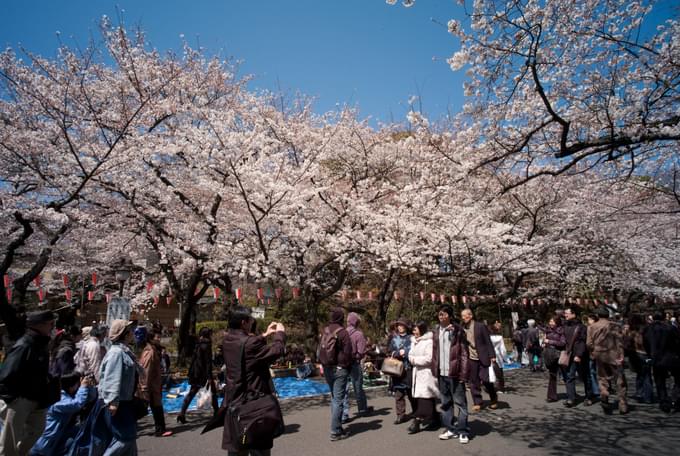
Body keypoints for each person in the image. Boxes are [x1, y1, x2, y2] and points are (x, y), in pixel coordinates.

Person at [221, 306, 286, 456]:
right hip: (254, 404)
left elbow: (246, 347)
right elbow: (277, 350)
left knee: (238, 446)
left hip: (234, 402)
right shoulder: (251, 343)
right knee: (258, 447)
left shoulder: (228, 340)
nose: (252, 322)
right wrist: (280, 334)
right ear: (244, 322)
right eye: (251, 319)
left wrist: (264, 335)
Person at [0, 310, 60, 456]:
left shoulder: (42, 345)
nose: (53, 327)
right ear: (38, 325)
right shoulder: (24, 345)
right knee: (9, 441)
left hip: (38, 399)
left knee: (37, 429)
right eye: (50, 324)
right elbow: (7, 374)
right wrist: (13, 399)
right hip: (20, 399)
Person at [98, 319, 142, 455]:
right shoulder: (117, 353)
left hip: (125, 402)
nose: (133, 333)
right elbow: (112, 378)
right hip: (118, 404)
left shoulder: (125, 351)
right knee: (124, 439)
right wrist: (113, 401)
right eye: (131, 331)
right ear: (125, 334)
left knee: (130, 439)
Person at [29, 372, 96, 456]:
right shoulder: (58, 399)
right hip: (42, 446)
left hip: (55, 442)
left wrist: (90, 386)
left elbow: (89, 398)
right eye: (78, 384)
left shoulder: (69, 396)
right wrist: (83, 387)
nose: (79, 386)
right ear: (71, 385)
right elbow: (77, 404)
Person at [432, 305, 470, 444]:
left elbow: (464, 353)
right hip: (441, 372)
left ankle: (463, 430)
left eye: (443, 314)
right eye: (439, 313)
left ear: (449, 315)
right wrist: (433, 369)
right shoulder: (436, 331)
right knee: (446, 403)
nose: (441, 316)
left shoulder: (458, 330)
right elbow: (434, 352)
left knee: (460, 403)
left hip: (455, 372)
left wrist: (464, 374)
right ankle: (450, 429)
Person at [318, 307, 352, 441]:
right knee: (339, 399)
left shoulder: (325, 330)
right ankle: (335, 431)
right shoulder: (342, 332)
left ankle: (337, 426)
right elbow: (348, 352)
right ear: (341, 318)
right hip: (339, 369)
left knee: (334, 397)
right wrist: (345, 365)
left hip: (327, 367)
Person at [587, 307, 627, 414]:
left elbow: (589, 343)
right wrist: (621, 354)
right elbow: (621, 341)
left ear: (598, 316)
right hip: (614, 354)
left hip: (600, 354)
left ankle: (604, 395)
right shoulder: (616, 326)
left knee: (602, 378)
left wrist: (593, 351)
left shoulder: (592, 327)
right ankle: (622, 404)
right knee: (619, 379)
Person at [177, 327, 219, 423]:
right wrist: (209, 376)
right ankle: (217, 413)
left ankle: (182, 413)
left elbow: (195, 360)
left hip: (195, 372)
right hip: (203, 373)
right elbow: (207, 362)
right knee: (212, 392)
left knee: (192, 392)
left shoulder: (198, 344)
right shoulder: (207, 345)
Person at [461, 308, 498, 411]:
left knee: (486, 379)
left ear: (471, 316)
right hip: (471, 357)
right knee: (473, 381)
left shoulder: (480, 326)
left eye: (465, 315)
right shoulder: (463, 328)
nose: (463, 318)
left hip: (483, 355)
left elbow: (488, 341)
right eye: (462, 316)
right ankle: (477, 402)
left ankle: (493, 398)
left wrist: (492, 355)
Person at [643, 311, 680, 413]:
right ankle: (676, 399)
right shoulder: (670, 328)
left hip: (656, 358)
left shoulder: (647, 329)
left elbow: (645, 344)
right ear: (664, 317)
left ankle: (664, 402)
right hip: (672, 357)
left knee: (660, 381)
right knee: (678, 380)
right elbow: (677, 342)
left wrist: (650, 354)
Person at [406, 320, 439, 434]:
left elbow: (429, 358)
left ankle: (417, 420)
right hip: (417, 372)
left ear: (422, 329)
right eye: (413, 329)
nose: (414, 331)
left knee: (424, 397)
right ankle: (435, 418)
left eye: (416, 329)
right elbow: (410, 354)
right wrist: (412, 359)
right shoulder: (414, 341)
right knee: (426, 397)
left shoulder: (428, 342)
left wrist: (415, 360)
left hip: (426, 373)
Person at [139, 329, 172, 437]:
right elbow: (145, 370)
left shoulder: (154, 349)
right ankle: (160, 429)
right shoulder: (150, 352)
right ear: (151, 339)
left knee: (156, 407)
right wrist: (144, 387)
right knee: (149, 407)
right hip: (151, 386)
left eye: (159, 336)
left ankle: (160, 429)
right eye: (157, 337)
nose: (159, 339)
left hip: (154, 385)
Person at [341, 312, 372, 422]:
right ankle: (362, 409)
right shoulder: (358, 334)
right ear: (356, 322)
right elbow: (362, 351)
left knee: (343, 390)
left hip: (342, 364)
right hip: (354, 363)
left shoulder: (341, 333)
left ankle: (344, 414)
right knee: (358, 387)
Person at [563, 307, 594, 407]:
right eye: (565, 313)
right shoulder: (565, 326)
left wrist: (579, 355)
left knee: (585, 376)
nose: (565, 315)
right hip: (570, 354)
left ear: (573, 314)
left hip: (580, 355)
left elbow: (582, 342)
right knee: (569, 376)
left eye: (567, 313)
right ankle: (571, 398)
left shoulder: (581, 327)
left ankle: (589, 397)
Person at [387, 317, 415, 425]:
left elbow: (415, 350)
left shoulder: (411, 338)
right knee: (398, 394)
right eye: (398, 325)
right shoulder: (394, 339)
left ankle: (416, 413)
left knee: (411, 393)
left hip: (408, 369)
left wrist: (406, 352)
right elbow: (389, 351)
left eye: (402, 325)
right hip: (396, 369)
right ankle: (400, 415)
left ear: (406, 327)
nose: (400, 327)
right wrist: (397, 353)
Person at [542, 316, 567, 403]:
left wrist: (550, 342)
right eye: (550, 321)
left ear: (557, 322)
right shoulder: (547, 330)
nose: (551, 323)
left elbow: (562, 343)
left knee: (565, 375)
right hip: (549, 354)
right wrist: (544, 343)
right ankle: (551, 396)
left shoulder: (561, 330)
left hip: (559, 354)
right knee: (552, 375)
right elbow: (544, 341)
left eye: (553, 321)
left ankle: (571, 394)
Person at [490, 321, 507, 393]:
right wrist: (505, 358)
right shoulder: (500, 337)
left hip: (490, 354)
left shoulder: (488, 337)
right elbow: (503, 349)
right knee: (500, 371)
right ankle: (500, 387)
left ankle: (490, 387)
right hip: (498, 354)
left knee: (490, 371)